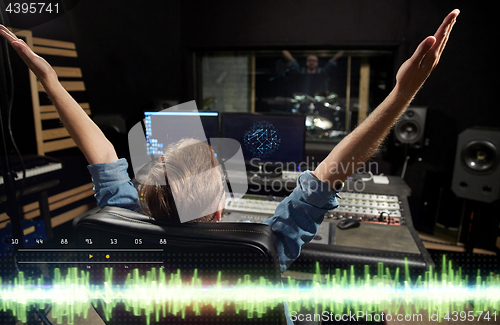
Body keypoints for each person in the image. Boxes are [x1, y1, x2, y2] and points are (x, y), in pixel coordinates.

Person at [0, 8, 458, 323]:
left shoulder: (119, 223)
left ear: (145, 197)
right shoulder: (260, 248)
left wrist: (49, 79)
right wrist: (402, 94)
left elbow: (99, 153)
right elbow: (331, 173)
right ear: (221, 207)